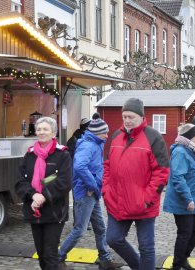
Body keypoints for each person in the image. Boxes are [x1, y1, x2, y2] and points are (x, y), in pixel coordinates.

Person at [103, 98, 169, 270]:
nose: (127, 120)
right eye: (124, 116)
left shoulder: (153, 137)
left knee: (146, 247)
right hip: (117, 201)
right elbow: (107, 166)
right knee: (113, 238)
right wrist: (106, 190)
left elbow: (161, 172)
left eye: (131, 116)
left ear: (141, 116)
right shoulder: (116, 136)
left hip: (144, 203)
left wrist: (148, 197)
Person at [58, 117, 123, 270]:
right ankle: (59, 257)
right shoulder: (88, 145)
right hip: (86, 193)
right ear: (98, 133)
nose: (107, 135)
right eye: (105, 133)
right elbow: (79, 167)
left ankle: (104, 259)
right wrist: (93, 185)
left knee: (100, 228)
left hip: (92, 193)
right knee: (80, 230)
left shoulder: (95, 144)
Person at [15, 117, 72, 270]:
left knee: (50, 253)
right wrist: (33, 195)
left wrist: (43, 196)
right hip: (34, 210)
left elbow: (64, 182)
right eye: (39, 129)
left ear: (54, 133)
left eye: (45, 129)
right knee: (41, 253)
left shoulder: (62, 155)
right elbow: (20, 181)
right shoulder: (29, 155)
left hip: (54, 212)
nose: (41, 132)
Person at [163, 123, 195, 270]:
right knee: (185, 233)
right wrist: (188, 198)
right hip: (184, 200)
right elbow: (178, 178)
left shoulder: (192, 150)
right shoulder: (180, 152)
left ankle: (183, 259)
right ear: (189, 137)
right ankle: (177, 265)